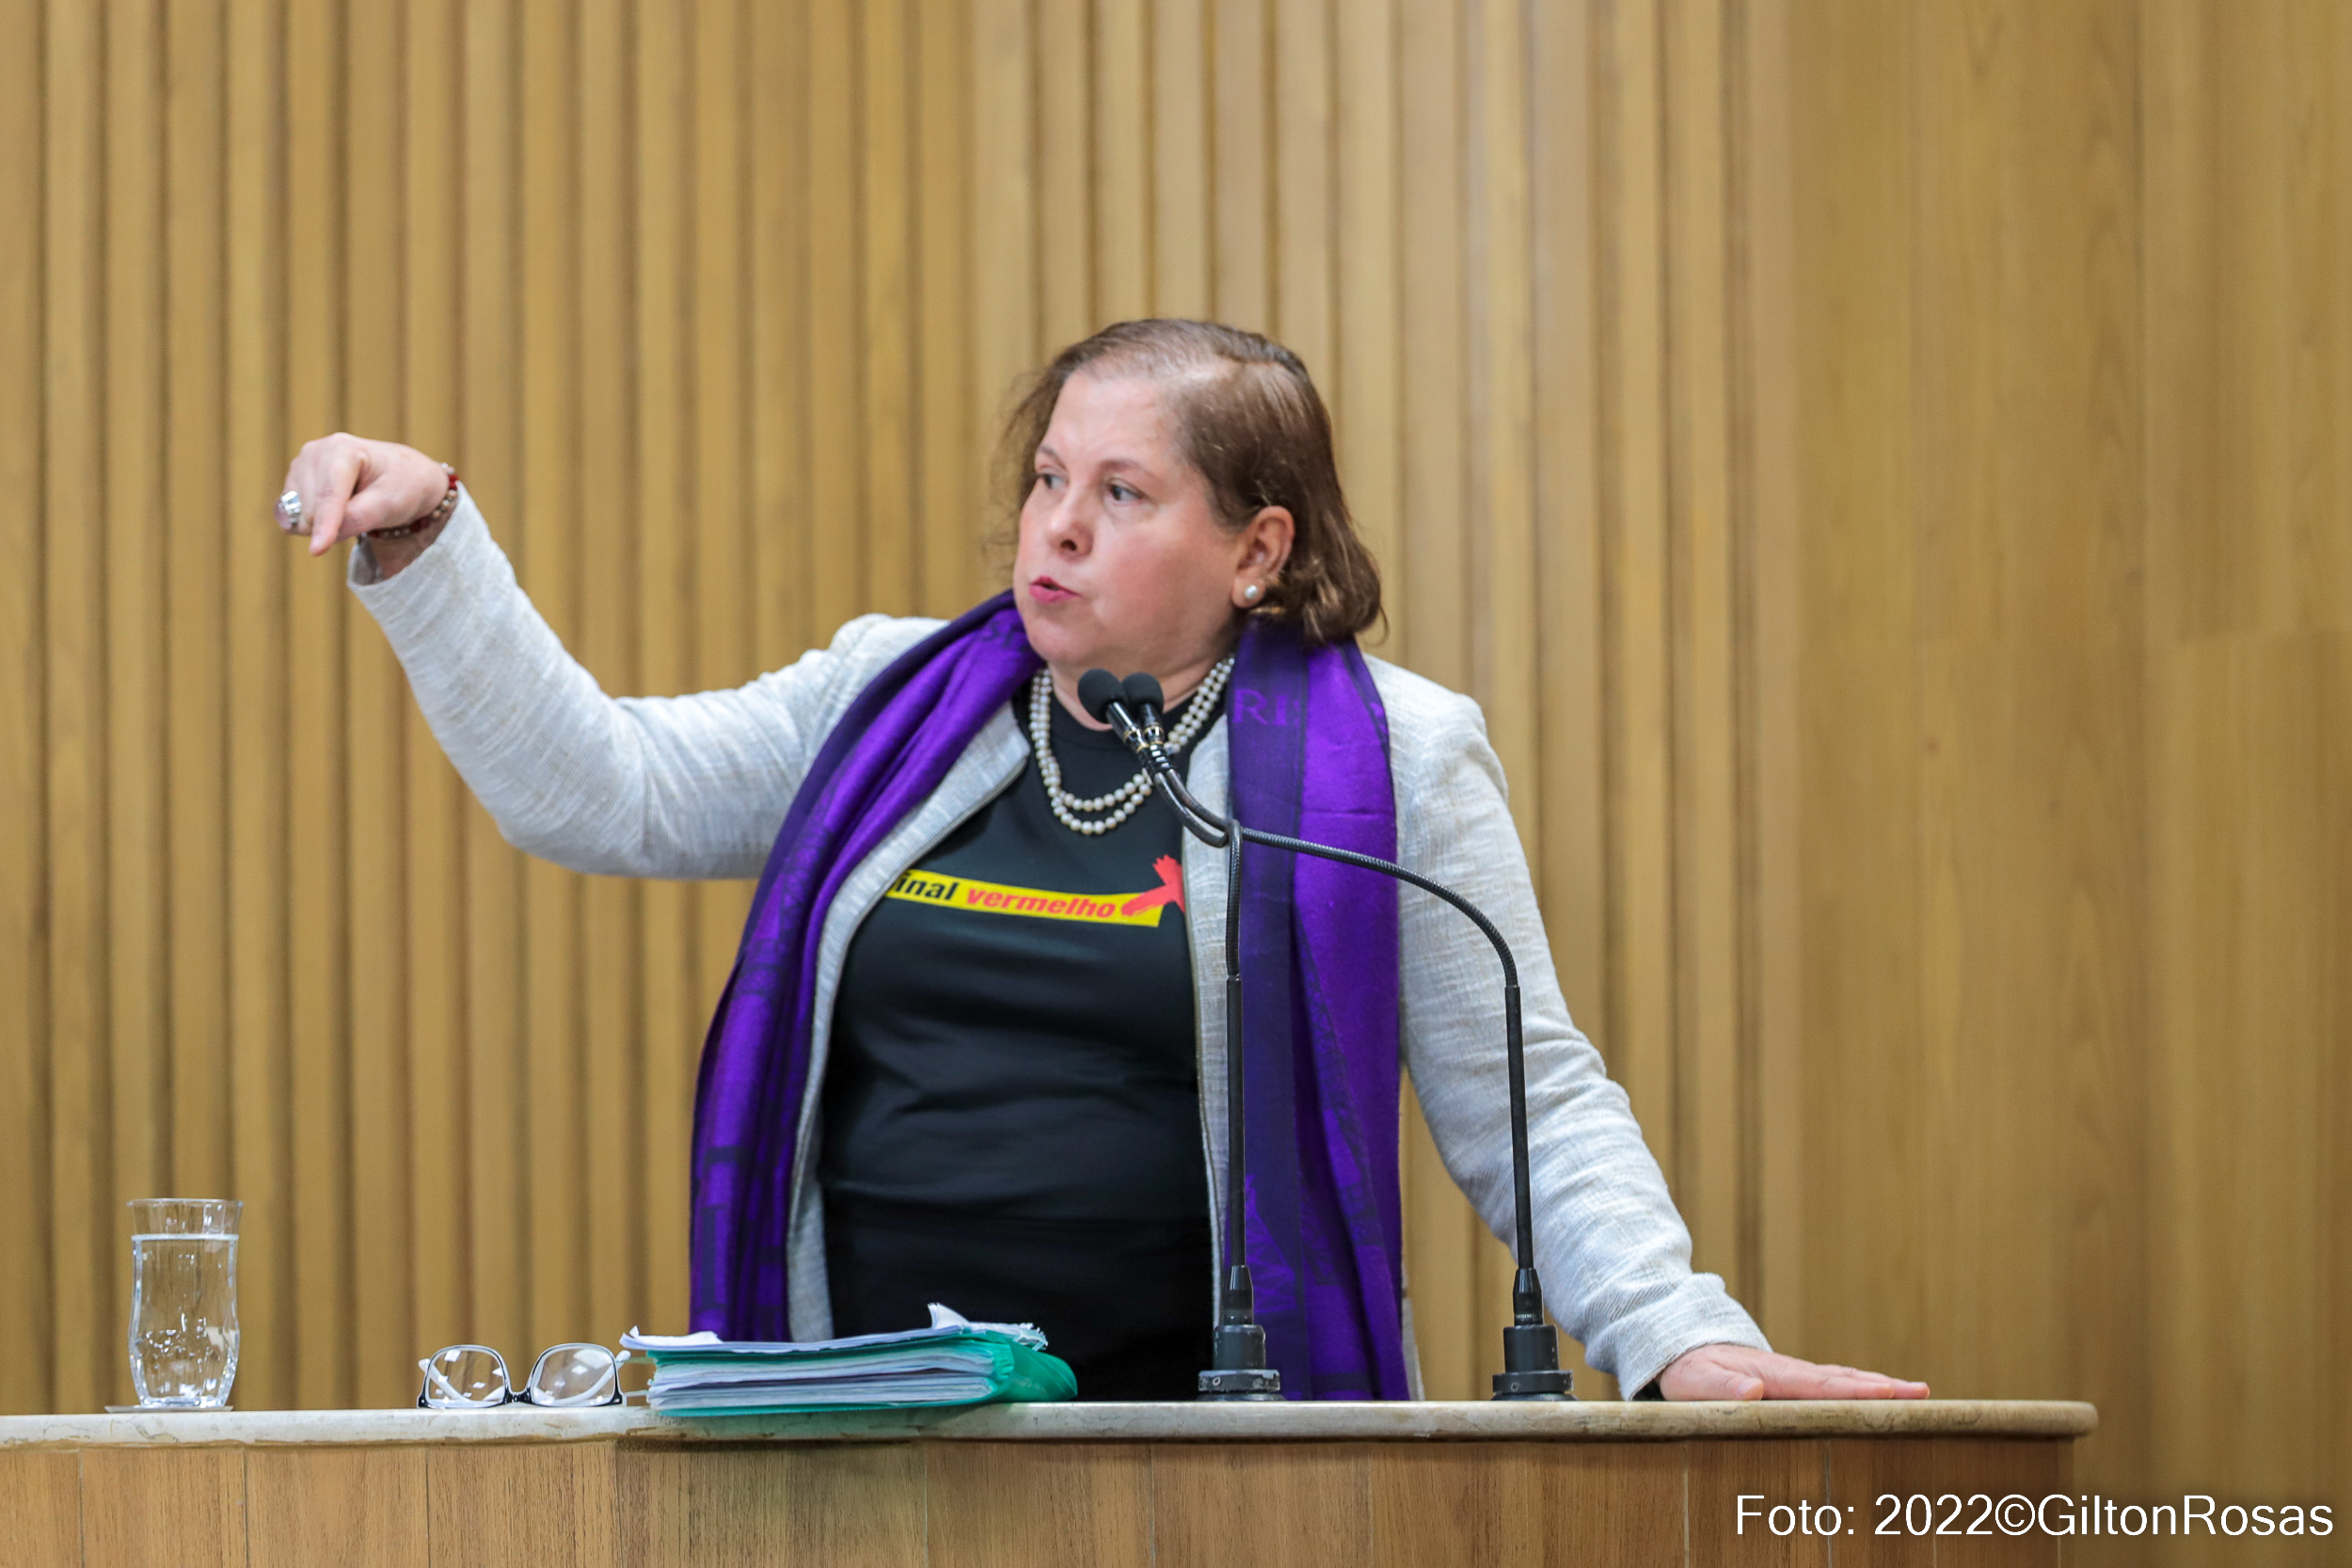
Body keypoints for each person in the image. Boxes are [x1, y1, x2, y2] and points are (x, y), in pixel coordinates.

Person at [277, 318, 1926, 1403]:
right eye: (1050, 479)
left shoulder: (1392, 762)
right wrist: (430, 549)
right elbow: (599, 792)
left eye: (1124, 492)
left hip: (1205, 1465)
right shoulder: (886, 700)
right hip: (860, 1451)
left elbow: (1531, 1095)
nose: (1056, 524)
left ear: (1257, 548)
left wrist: (1675, 1336)